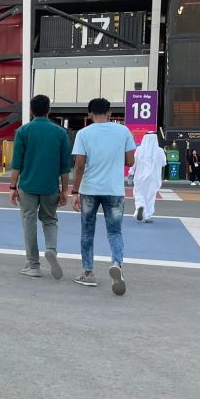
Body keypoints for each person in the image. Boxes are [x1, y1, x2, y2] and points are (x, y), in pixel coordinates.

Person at [70, 98, 136, 295]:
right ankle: (117, 264)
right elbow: (130, 160)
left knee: (87, 231)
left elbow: (79, 165)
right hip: (114, 190)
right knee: (115, 231)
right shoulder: (123, 131)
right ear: (110, 113)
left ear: (89, 114)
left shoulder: (83, 134)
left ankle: (88, 272)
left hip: (90, 189)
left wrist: (75, 192)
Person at [9, 94, 71, 279]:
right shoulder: (60, 133)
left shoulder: (23, 131)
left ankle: (33, 265)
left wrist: (13, 187)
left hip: (28, 185)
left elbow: (17, 163)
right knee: (50, 220)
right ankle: (51, 249)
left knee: (29, 221)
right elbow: (64, 166)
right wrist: (64, 190)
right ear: (49, 110)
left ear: (31, 110)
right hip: (50, 186)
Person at [130, 134, 166, 222]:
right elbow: (164, 163)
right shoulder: (160, 151)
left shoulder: (139, 149)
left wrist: (131, 172)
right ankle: (147, 216)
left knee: (138, 193)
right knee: (150, 197)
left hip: (140, 177)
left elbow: (134, 163)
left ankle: (140, 205)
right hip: (154, 178)